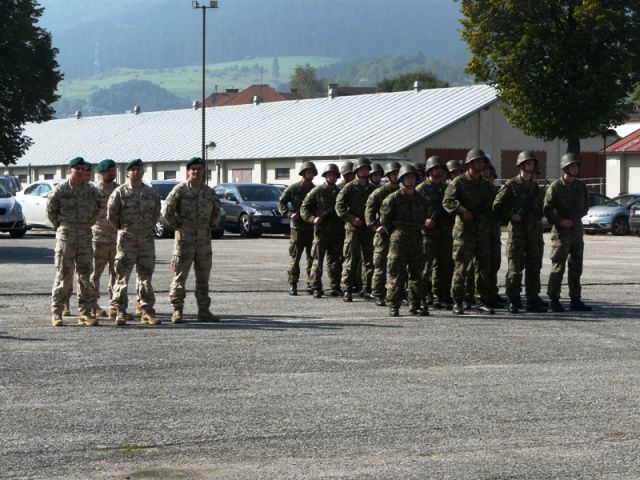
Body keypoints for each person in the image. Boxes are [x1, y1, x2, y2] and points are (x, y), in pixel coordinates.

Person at [164, 157, 221, 323]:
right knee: (180, 276)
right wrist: (178, 226)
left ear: (203, 171)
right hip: (185, 239)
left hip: (204, 240)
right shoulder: (180, 190)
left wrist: (209, 226)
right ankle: (177, 310)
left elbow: (216, 211)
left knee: (203, 277)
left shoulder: (209, 192)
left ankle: (204, 310)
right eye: (193, 169)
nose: (196, 171)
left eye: (199, 169)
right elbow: (167, 211)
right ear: (188, 171)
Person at [47, 156, 100, 327]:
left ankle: (85, 313)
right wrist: (61, 226)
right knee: (64, 274)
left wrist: (88, 223)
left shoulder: (91, 190)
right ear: (70, 170)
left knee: (85, 275)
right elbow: (51, 210)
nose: (81, 171)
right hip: (67, 234)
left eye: (83, 169)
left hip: (84, 234)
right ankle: (57, 312)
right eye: (77, 169)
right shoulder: (61, 190)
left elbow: (98, 208)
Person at [108, 158, 161, 325]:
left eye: (139, 169)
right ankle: (120, 310)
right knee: (122, 276)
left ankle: (147, 310)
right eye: (133, 170)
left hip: (146, 238)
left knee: (146, 276)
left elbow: (156, 213)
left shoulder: (151, 193)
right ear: (128, 173)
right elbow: (112, 215)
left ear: (143, 172)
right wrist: (124, 229)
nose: (136, 172)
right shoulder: (120, 192)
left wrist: (146, 227)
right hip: (127, 238)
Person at [443, 148, 496, 315]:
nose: (481, 164)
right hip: (464, 232)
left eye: (483, 161)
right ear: (470, 164)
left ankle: (481, 300)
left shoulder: (486, 185)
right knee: (461, 267)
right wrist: (462, 211)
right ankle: (458, 301)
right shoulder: (459, 182)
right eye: (478, 161)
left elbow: (494, 204)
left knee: (483, 267)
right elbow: (448, 201)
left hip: (482, 232)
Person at [493, 150, 547, 313]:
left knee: (534, 267)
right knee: (515, 268)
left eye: (532, 163)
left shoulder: (535, 187)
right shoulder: (512, 184)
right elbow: (497, 205)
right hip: (517, 233)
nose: (530, 166)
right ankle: (513, 299)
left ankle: (532, 298)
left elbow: (540, 208)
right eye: (528, 163)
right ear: (521, 165)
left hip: (533, 233)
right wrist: (511, 215)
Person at [543, 153, 591, 312]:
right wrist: (560, 221)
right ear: (565, 168)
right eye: (572, 166)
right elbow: (547, 209)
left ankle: (575, 299)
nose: (575, 168)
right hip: (561, 233)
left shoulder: (581, 186)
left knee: (576, 266)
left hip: (576, 231)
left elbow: (586, 205)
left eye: (576, 166)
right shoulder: (556, 187)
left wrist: (576, 216)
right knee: (558, 266)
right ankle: (554, 299)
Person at [379, 164, 429, 317]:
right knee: (396, 272)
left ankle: (415, 304)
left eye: (413, 177)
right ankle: (394, 304)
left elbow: (424, 216)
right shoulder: (392, 199)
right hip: (399, 238)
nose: (410, 180)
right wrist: (394, 233)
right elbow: (384, 220)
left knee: (417, 273)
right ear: (401, 179)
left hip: (417, 237)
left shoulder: (422, 199)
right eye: (407, 177)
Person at [335, 157, 376, 302]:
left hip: (368, 229)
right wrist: (352, 219)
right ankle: (347, 289)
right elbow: (339, 207)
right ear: (356, 171)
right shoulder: (349, 187)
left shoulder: (373, 189)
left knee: (369, 260)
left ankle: (367, 288)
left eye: (366, 169)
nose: (364, 171)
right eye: (361, 169)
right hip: (353, 229)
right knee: (350, 259)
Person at [300, 163, 343, 298]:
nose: (332, 177)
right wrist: (312, 219)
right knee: (317, 260)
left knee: (335, 262)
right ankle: (316, 287)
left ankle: (335, 286)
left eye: (334, 175)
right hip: (321, 231)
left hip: (337, 232)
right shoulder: (317, 191)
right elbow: (304, 209)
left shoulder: (341, 192)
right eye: (329, 175)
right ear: (325, 176)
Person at [417, 156, 454, 309]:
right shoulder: (421, 189)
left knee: (444, 266)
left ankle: (441, 295)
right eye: (435, 168)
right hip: (427, 234)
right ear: (429, 171)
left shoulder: (448, 188)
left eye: (440, 168)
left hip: (445, 233)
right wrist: (424, 221)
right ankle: (422, 296)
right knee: (425, 267)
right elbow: (413, 209)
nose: (438, 171)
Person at [364, 160, 401, 306]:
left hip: (399, 234)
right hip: (383, 234)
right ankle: (378, 294)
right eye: (394, 174)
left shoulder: (404, 192)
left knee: (398, 266)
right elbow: (369, 211)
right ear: (389, 175)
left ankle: (397, 292)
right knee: (380, 265)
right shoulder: (379, 193)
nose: (396, 176)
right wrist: (375, 226)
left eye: (398, 173)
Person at [278, 161, 317, 296]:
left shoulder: (315, 190)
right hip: (297, 228)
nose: (310, 174)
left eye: (312, 172)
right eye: (308, 172)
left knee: (312, 257)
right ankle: (293, 283)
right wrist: (290, 214)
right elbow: (281, 203)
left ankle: (311, 283)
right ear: (303, 173)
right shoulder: (294, 188)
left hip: (311, 228)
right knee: (295, 257)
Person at [90, 159, 119, 320]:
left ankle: (115, 305)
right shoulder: (94, 191)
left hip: (116, 238)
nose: (112, 173)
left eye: (113, 170)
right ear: (101, 173)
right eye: (108, 170)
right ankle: (93, 305)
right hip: (98, 237)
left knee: (116, 273)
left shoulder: (120, 190)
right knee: (94, 273)